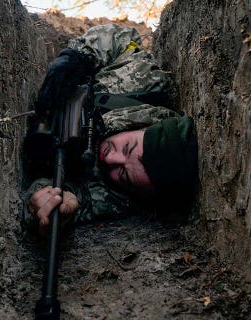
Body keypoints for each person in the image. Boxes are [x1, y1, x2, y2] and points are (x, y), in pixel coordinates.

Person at [22, 24, 198, 235]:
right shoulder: (146, 83)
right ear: (144, 126)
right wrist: (77, 58)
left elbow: (72, 201)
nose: (111, 159)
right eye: (127, 148)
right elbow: (123, 36)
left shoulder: (122, 197)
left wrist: (48, 201)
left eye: (123, 174)